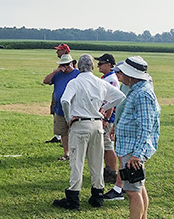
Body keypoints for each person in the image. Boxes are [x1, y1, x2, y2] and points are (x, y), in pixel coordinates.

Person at [53, 54, 125, 210]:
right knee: (97, 162)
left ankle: (73, 197)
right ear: (92, 67)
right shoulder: (100, 82)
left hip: (80, 125)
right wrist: (104, 108)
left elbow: (65, 101)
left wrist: (69, 118)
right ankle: (97, 195)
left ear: (79, 67)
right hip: (97, 125)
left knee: (77, 162)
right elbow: (120, 96)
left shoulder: (75, 82)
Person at [107, 56, 160, 219]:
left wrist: (137, 154)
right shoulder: (136, 90)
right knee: (139, 187)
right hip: (129, 147)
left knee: (132, 191)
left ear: (131, 75)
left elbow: (146, 126)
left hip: (133, 150)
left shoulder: (142, 94)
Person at [43, 54, 79, 161]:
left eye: (67, 64)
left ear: (72, 63)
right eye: (63, 64)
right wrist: (55, 71)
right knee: (63, 132)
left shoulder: (78, 74)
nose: (65, 67)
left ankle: (76, 152)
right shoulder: (58, 74)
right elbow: (45, 81)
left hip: (74, 109)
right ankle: (66, 153)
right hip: (60, 109)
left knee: (75, 131)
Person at [103, 62, 129, 201]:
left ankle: (119, 188)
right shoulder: (125, 85)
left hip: (128, 130)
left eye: (119, 72)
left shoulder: (134, 89)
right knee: (122, 158)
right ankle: (122, 186)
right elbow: (120, 108)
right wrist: (115, 126)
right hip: (120, 125)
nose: (117, 75)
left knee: (124, 159)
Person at [94, 53, 120, 185]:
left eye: (100, 63)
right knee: (105, 145)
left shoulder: (111, 80)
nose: (98, 66)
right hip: (105, 116)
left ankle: (111, 172)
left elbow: (112, 100)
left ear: (109, 65)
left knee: (108, 145)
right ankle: (108, 169)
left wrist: (107, 118)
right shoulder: (107, 78)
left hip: (107, 117)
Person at [45, 43, 71, 144]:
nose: (57, 52)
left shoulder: (70, 65)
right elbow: (46, 81)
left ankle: (62, 137)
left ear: (65, 51)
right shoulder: (59, 67)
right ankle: (58, 136)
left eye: (59, 50)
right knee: (55, 112)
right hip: (57, 94)